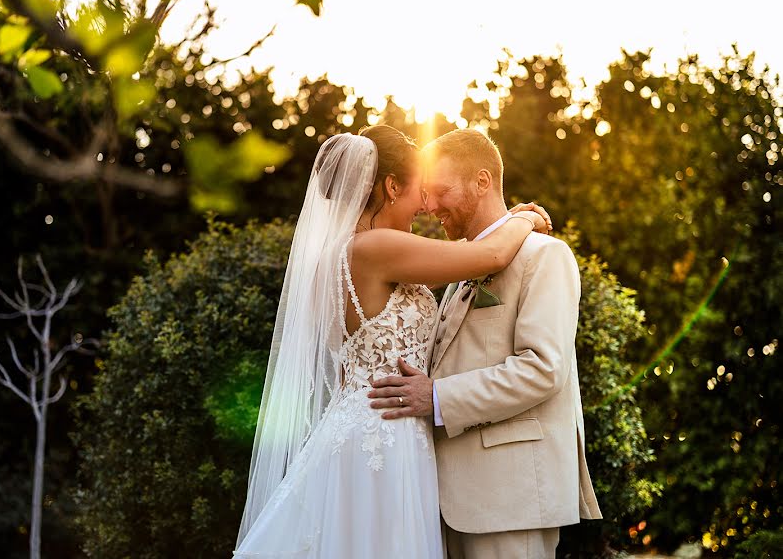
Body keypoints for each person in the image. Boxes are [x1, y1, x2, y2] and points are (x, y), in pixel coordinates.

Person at [234, 125, 549, 558]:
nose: (426, 205)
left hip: (360, 422)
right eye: (420, 190)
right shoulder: (375, 247)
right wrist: (525, 218)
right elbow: (489, 256)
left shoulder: (336, 258)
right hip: (385, 433)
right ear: (391, 185)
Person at [368, 128, 603, 559]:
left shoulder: (544, 256)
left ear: (481, 182)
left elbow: (543, 369)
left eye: (441, 191)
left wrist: (435, 395)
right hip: (444, 499)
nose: (430, 206)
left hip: (509, 500)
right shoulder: (460, 265)